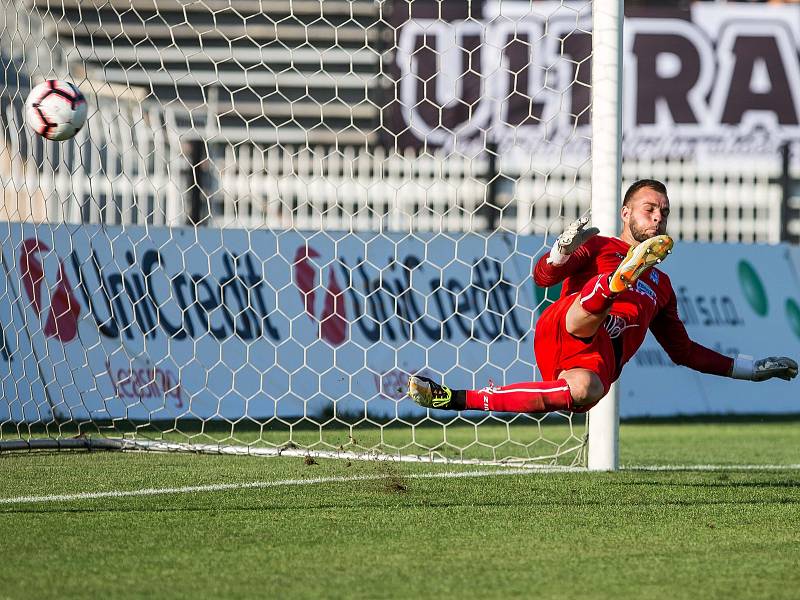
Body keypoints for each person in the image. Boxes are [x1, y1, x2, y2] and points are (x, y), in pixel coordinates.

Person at [407, 179, 797, 413]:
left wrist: (751, 369)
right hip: (569, 324)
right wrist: (561, 250)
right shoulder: (598, 246)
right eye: (649, 209)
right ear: (626, 213)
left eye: (663, 211)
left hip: (594, 361)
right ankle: (614, 283)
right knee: (591, 310)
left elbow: (685, 352)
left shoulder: (661, 286)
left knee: (586, 392)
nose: (658, 217)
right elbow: (543, 277)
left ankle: (450, 399)